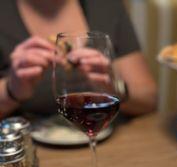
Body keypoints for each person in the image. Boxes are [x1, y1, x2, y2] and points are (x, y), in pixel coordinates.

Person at [0, 0, 157, 119]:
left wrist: (114, 89)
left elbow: (149, 99)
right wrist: (11, 90)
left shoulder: (106, 6)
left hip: (110, 143)